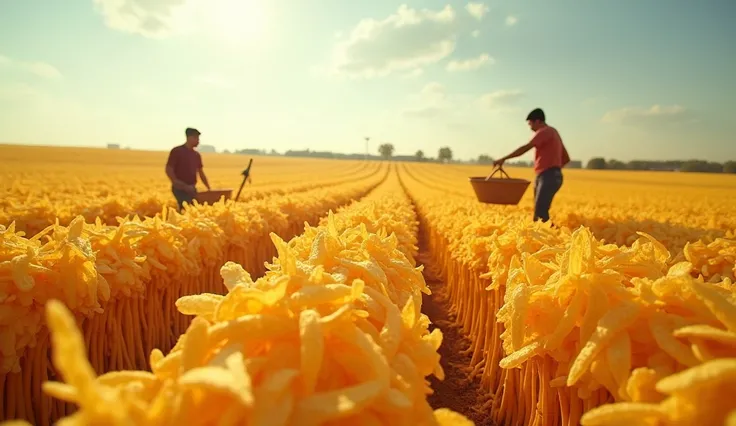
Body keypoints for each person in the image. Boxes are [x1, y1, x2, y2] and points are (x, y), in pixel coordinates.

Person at [492, 108, 570, 223]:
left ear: (538, 121)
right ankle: (545, 237)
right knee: (539, 213)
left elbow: (525, 148)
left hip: (547, 176)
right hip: (551, 175)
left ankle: (555, 239)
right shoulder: (554, 132)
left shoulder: (544, 131)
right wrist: (555, 168)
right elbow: (566, 158)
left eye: (530, 124)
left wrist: (504, 159)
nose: (530, 128)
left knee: (540, 214)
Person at [166, 127, 210, 211]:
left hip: (192, 188)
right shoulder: (177, 151)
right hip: (180, 188)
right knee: (185, 208)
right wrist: (177, 182)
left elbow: (201, 173)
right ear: (189, 138)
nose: (198, 141)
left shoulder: (196, 155)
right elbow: (169, 169)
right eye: (196, 138)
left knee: (196, 209)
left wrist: (208, 188)